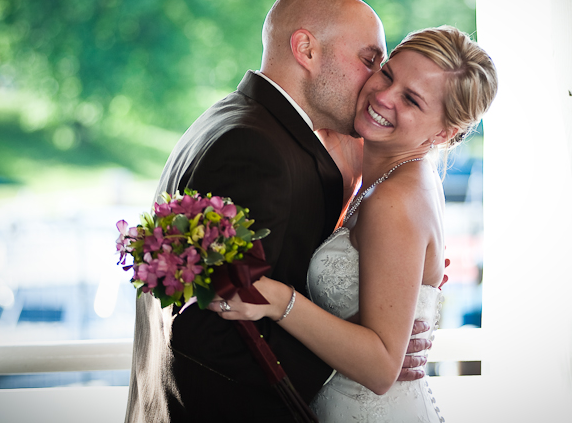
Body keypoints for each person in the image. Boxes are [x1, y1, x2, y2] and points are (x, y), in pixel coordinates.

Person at [125, 0, 434, 423]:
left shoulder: (240, 120)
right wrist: (356, 362)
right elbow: (215, 332)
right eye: (370, 61)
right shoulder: (254, 147)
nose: (375, 82)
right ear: (306, 49)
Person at [209, 26, 498, 422]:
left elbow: (381, 368)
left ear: (445, 132)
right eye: (388, 73)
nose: (383, 96)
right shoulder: (385, 167)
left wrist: (279, 301)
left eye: (411, 99)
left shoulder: (395, 199)